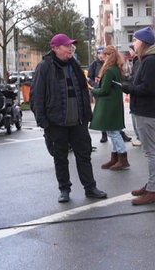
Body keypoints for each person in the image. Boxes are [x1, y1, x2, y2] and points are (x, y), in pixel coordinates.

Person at [30, 34, 107, 203]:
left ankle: (90, 187)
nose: (71, 48)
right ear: (56, 48)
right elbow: (36, 96)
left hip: (78, 122)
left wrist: (87, 114)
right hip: (56, 122)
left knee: (84, 155)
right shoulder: (44, 67)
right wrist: (42, 121)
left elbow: (83, 91)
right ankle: (64, 189)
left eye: (71, 45)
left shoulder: (75, 65)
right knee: (60, 158)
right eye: (67, 46)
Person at [121, 26, 155, 205]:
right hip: (146, 110)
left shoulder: (150, 61)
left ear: (144, 42)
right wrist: (130, 84)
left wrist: (128, 88)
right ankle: (151, 185)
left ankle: (153, 190)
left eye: (135, 40)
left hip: (147, 111)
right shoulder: (149, 60)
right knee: (150, 151)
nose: (133, 43)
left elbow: (147, 88)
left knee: (151, 152)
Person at [89, 45, 130, 171]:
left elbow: (104, 90)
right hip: (115, 103)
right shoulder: (117, 69)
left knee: (113, 132)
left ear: (109, 56)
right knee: (114, 131)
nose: (102, 56)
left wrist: (93, 90)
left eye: (104, 54)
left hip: (108, 104)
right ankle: (116, 158)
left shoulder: (109, 70)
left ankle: (122, 159)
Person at [127, 44, 142, 147]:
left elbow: (135, 78)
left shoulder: (137, 62)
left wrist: (127, 81)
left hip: (136, 93)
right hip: (136, 93)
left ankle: (139, 138)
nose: (129, 53)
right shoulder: (136, 61)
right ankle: (139, 137)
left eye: (130, 50)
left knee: (135, 116)